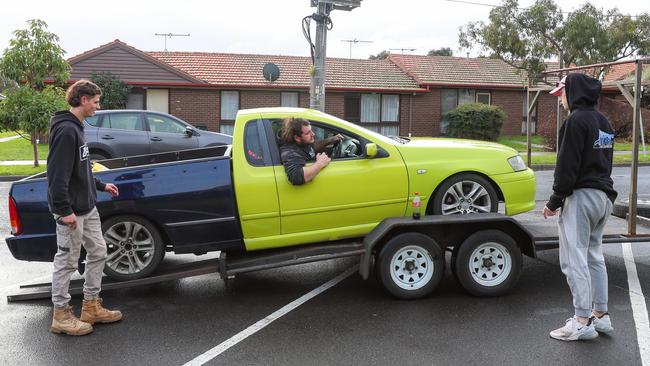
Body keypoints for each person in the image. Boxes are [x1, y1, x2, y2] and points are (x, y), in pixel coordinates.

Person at [544, 73, 617, 341]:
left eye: (562, 93)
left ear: (572, 92)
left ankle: (581, 320)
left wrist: (554, 202)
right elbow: (605, 162)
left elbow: (567, 167)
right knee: (593, 256)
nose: (560, 99)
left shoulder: (575, 121)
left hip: (582, 197)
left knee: (574, 259)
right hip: (603, 197)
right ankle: (601, 315)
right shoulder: (604, 122)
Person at [47, 80, 123, 336]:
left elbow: (81, 168)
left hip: (87, 207)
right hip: (71, 211)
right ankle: (61, 315)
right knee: (67, 261)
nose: (97, 107)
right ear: (82, 100)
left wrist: (101, 186)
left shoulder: (78, 128)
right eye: (95, 101)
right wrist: (64, 209)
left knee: (99, 251)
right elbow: (57, 176)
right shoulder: (66, 131)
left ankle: (91, 306)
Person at [279, 117, 343, 185]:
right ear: (297, 138)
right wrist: (320, 163)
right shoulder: (290, 152)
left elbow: (313, 146)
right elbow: (296, 176)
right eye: (308, 133)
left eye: (311, 130)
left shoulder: (303, 143)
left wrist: (331, 140)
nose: (313, 134)